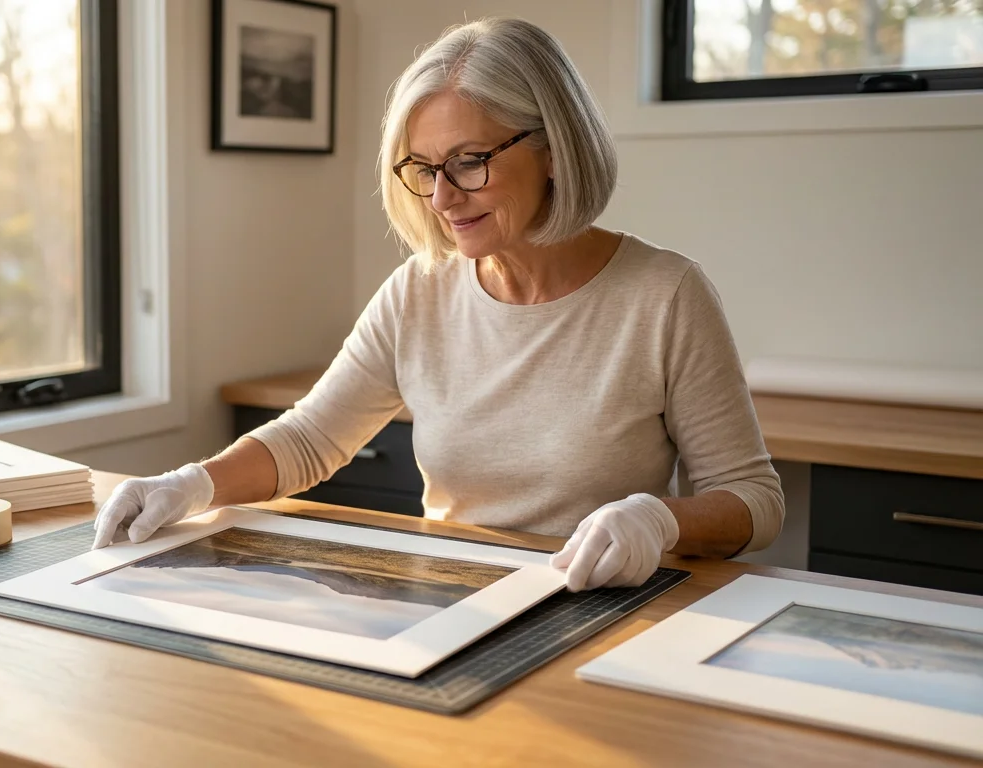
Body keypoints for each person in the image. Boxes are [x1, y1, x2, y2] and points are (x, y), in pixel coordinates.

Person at [92, 17, 784, 592]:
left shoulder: (665, 296)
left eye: (469, 161)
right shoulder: (419, 292)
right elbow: (310, 441)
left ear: (552, 149)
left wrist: (659, 520)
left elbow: (755, 502)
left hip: (596, 605)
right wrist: (190, 484)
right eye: (424, 169)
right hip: (451, 604)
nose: (442, 198)